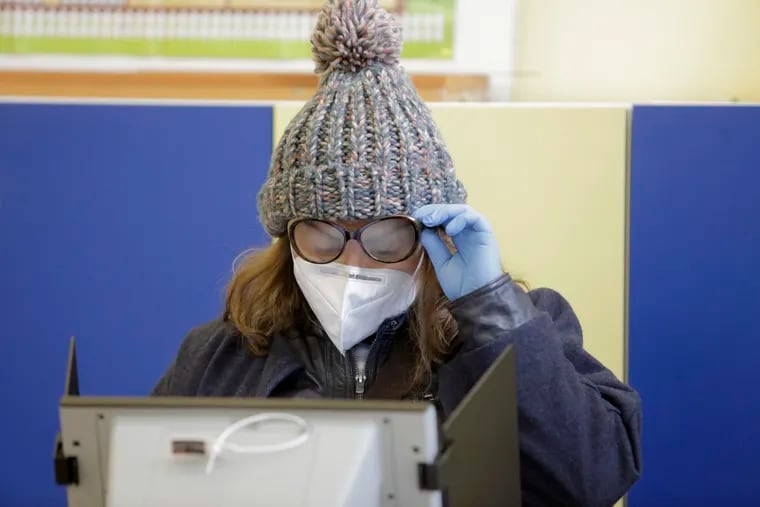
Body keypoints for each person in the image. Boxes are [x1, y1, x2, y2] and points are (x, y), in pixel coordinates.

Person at [152, 0, 642, 505]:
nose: (354, 263)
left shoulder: (521, 329)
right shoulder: (221, 355)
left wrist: (490, 309)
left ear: (433, 234)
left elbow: (590, 479)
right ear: (286, 238)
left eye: (386, 237)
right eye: (323, 234)